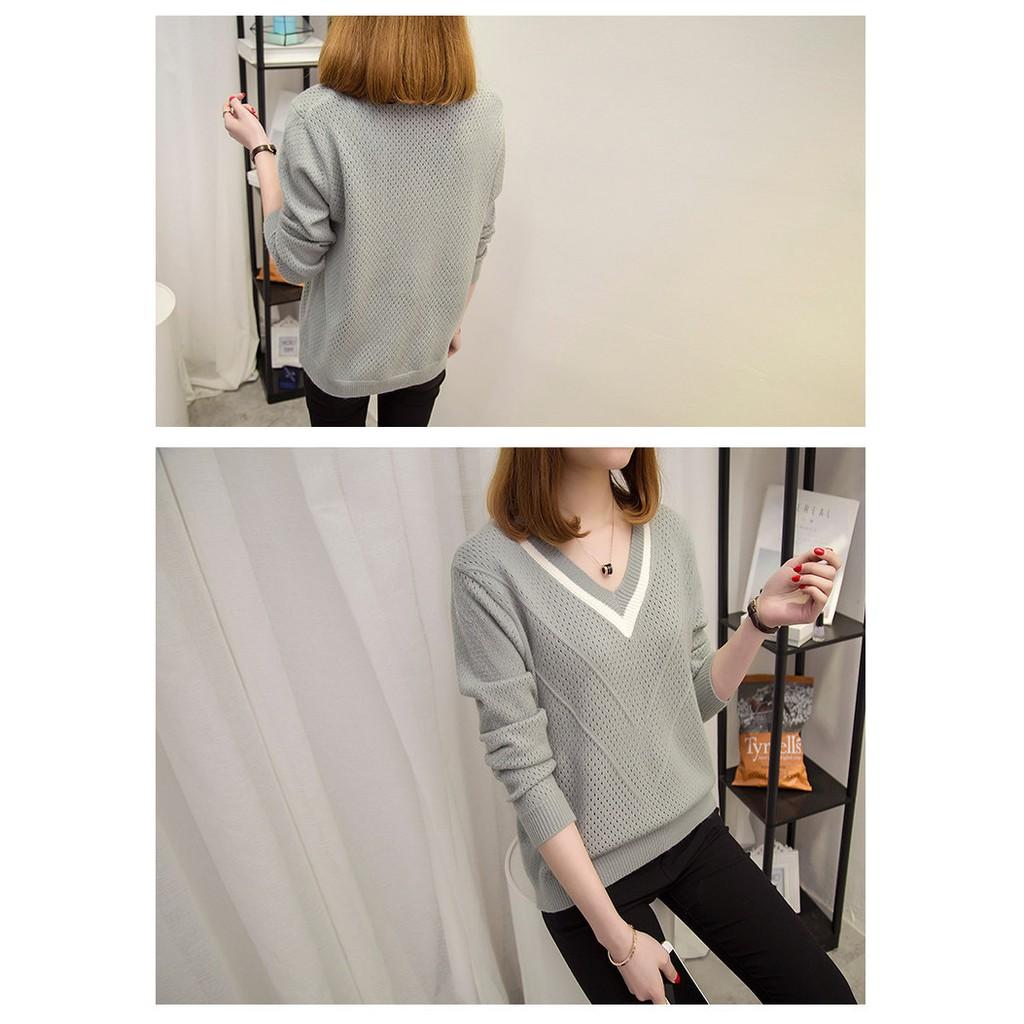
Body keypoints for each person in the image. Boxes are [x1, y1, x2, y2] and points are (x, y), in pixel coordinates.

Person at [449, 448, 857, 1004]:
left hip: (692, 830)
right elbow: (525, 772)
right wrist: (619, 944)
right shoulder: (487, 569)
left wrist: (758, 620)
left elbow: (692, 698)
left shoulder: (666, 533)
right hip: (591, 877)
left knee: (827, 998)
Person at [222, 16, 505, 426]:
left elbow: (293, 261)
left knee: (344, 455)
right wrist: (452, 320)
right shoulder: (486, 111)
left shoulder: (317, 116)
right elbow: (479, 235)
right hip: (425, 345)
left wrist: (260, 147)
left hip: (339, 356)